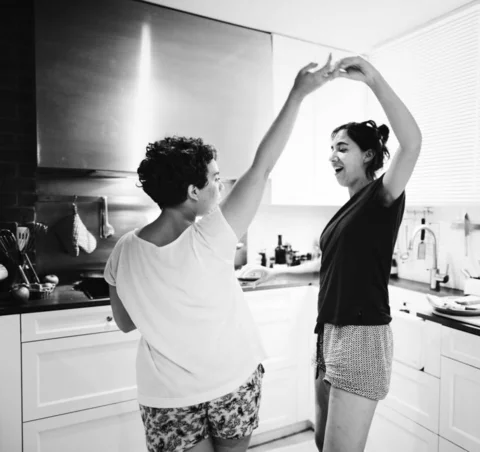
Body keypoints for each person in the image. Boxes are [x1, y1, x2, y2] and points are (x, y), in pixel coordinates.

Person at [103, 55, 335, 452]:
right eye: (214, 179)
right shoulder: (210, 236)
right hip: (231, 382)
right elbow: (262, 167)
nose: (220, 188)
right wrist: (298, 93)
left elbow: (125, 323)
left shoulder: (123, 251)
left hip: (167, 398)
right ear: (192, 191)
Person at [238, 56, 422, 452]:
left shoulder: (382, 196)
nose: (333, 156)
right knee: (323, 443)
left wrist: (373, 78)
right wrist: (275, 275)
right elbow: (329, 262)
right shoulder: (348, 208)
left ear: (369, 155)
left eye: (343, 148)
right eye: (332, 149)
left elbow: (413, 143)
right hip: (329, 333)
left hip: (361, 334)